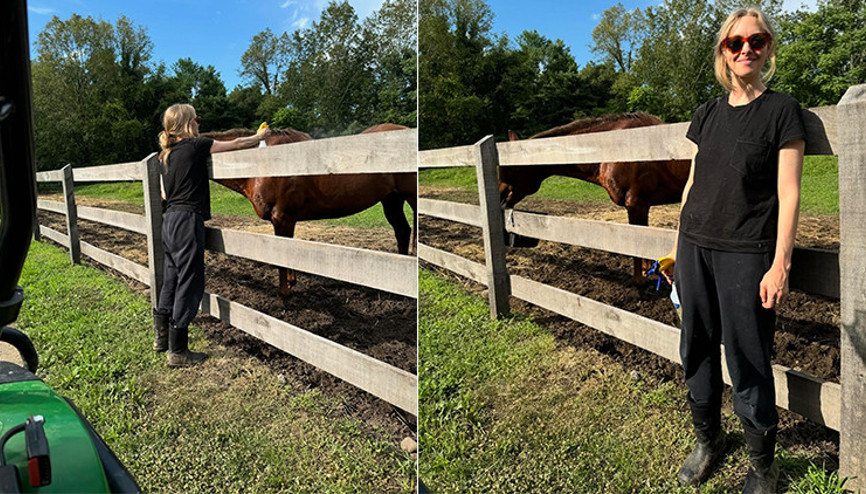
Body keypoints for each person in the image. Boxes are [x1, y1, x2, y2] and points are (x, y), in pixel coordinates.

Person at [660, 8, 806, 494]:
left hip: (747, 251)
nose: (746, 49)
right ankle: (708, 439)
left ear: (767, 48)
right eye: (735, 42)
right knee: (695, 346)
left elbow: (789, 193)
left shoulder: (783, 110)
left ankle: (763, 464)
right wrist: (677, 250)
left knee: (747, 356)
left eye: (756, 41)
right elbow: (694, 183)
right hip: (694, 246)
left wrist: (780, 262)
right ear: (724, 49)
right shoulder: (708, 112)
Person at [152, 104, 269, 367]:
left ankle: (161, 339)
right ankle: (178, 350)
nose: (199, 124)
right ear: (187, 123)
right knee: (189, 282)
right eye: (197, 119)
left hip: (168, 221)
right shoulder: (196, 146)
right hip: (187, 220)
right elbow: (235, 143)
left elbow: (163, 195)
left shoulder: (165, 156)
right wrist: (259, 138)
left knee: (171, 278)